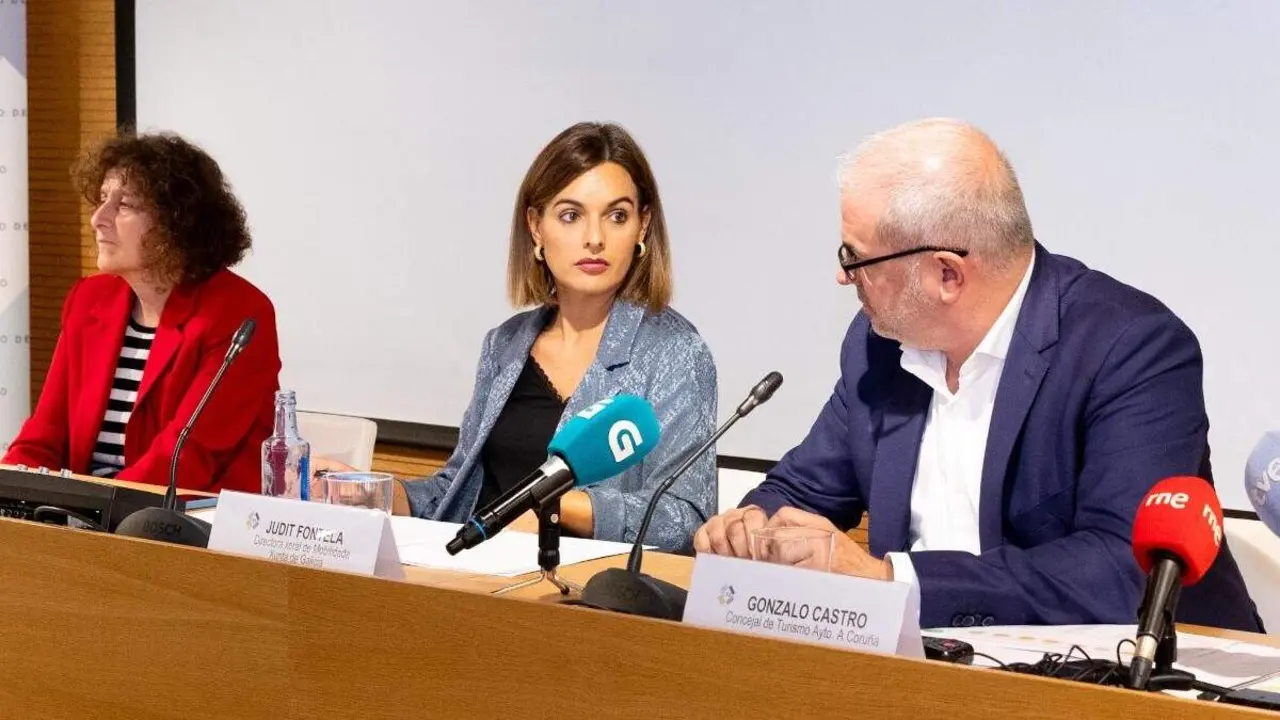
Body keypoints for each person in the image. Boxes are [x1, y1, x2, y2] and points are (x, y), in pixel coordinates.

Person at [694, 118, 1261, 631]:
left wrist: (890, 581)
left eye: (854, 258)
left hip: (1141, 682)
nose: (843, 278)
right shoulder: (879, 347)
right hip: (929, 672)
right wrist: (750, 527)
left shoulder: (1132, 347)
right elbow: (802, 490)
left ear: (947, 274)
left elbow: (1119, 570)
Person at [395, 122, 717, 550]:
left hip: (588, 585)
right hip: (479, 575)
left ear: (642, 227)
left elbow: (685, 520)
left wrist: (554, 506)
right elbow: (458, 493)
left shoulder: (675, 352)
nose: (595, 239)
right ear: (536, 227)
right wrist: (383, 494)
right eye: (571, 215)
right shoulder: (504, 345)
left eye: (617, 216)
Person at [3, 132, 280, 493]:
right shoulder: (89, 300)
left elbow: (185, 458)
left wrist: (93, 511)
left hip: (186, 516)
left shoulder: (237, 312)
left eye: (124, 205)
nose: (98, 219)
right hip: (93, 511)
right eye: (102, 199)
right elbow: (43, 438)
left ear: (175, 223)